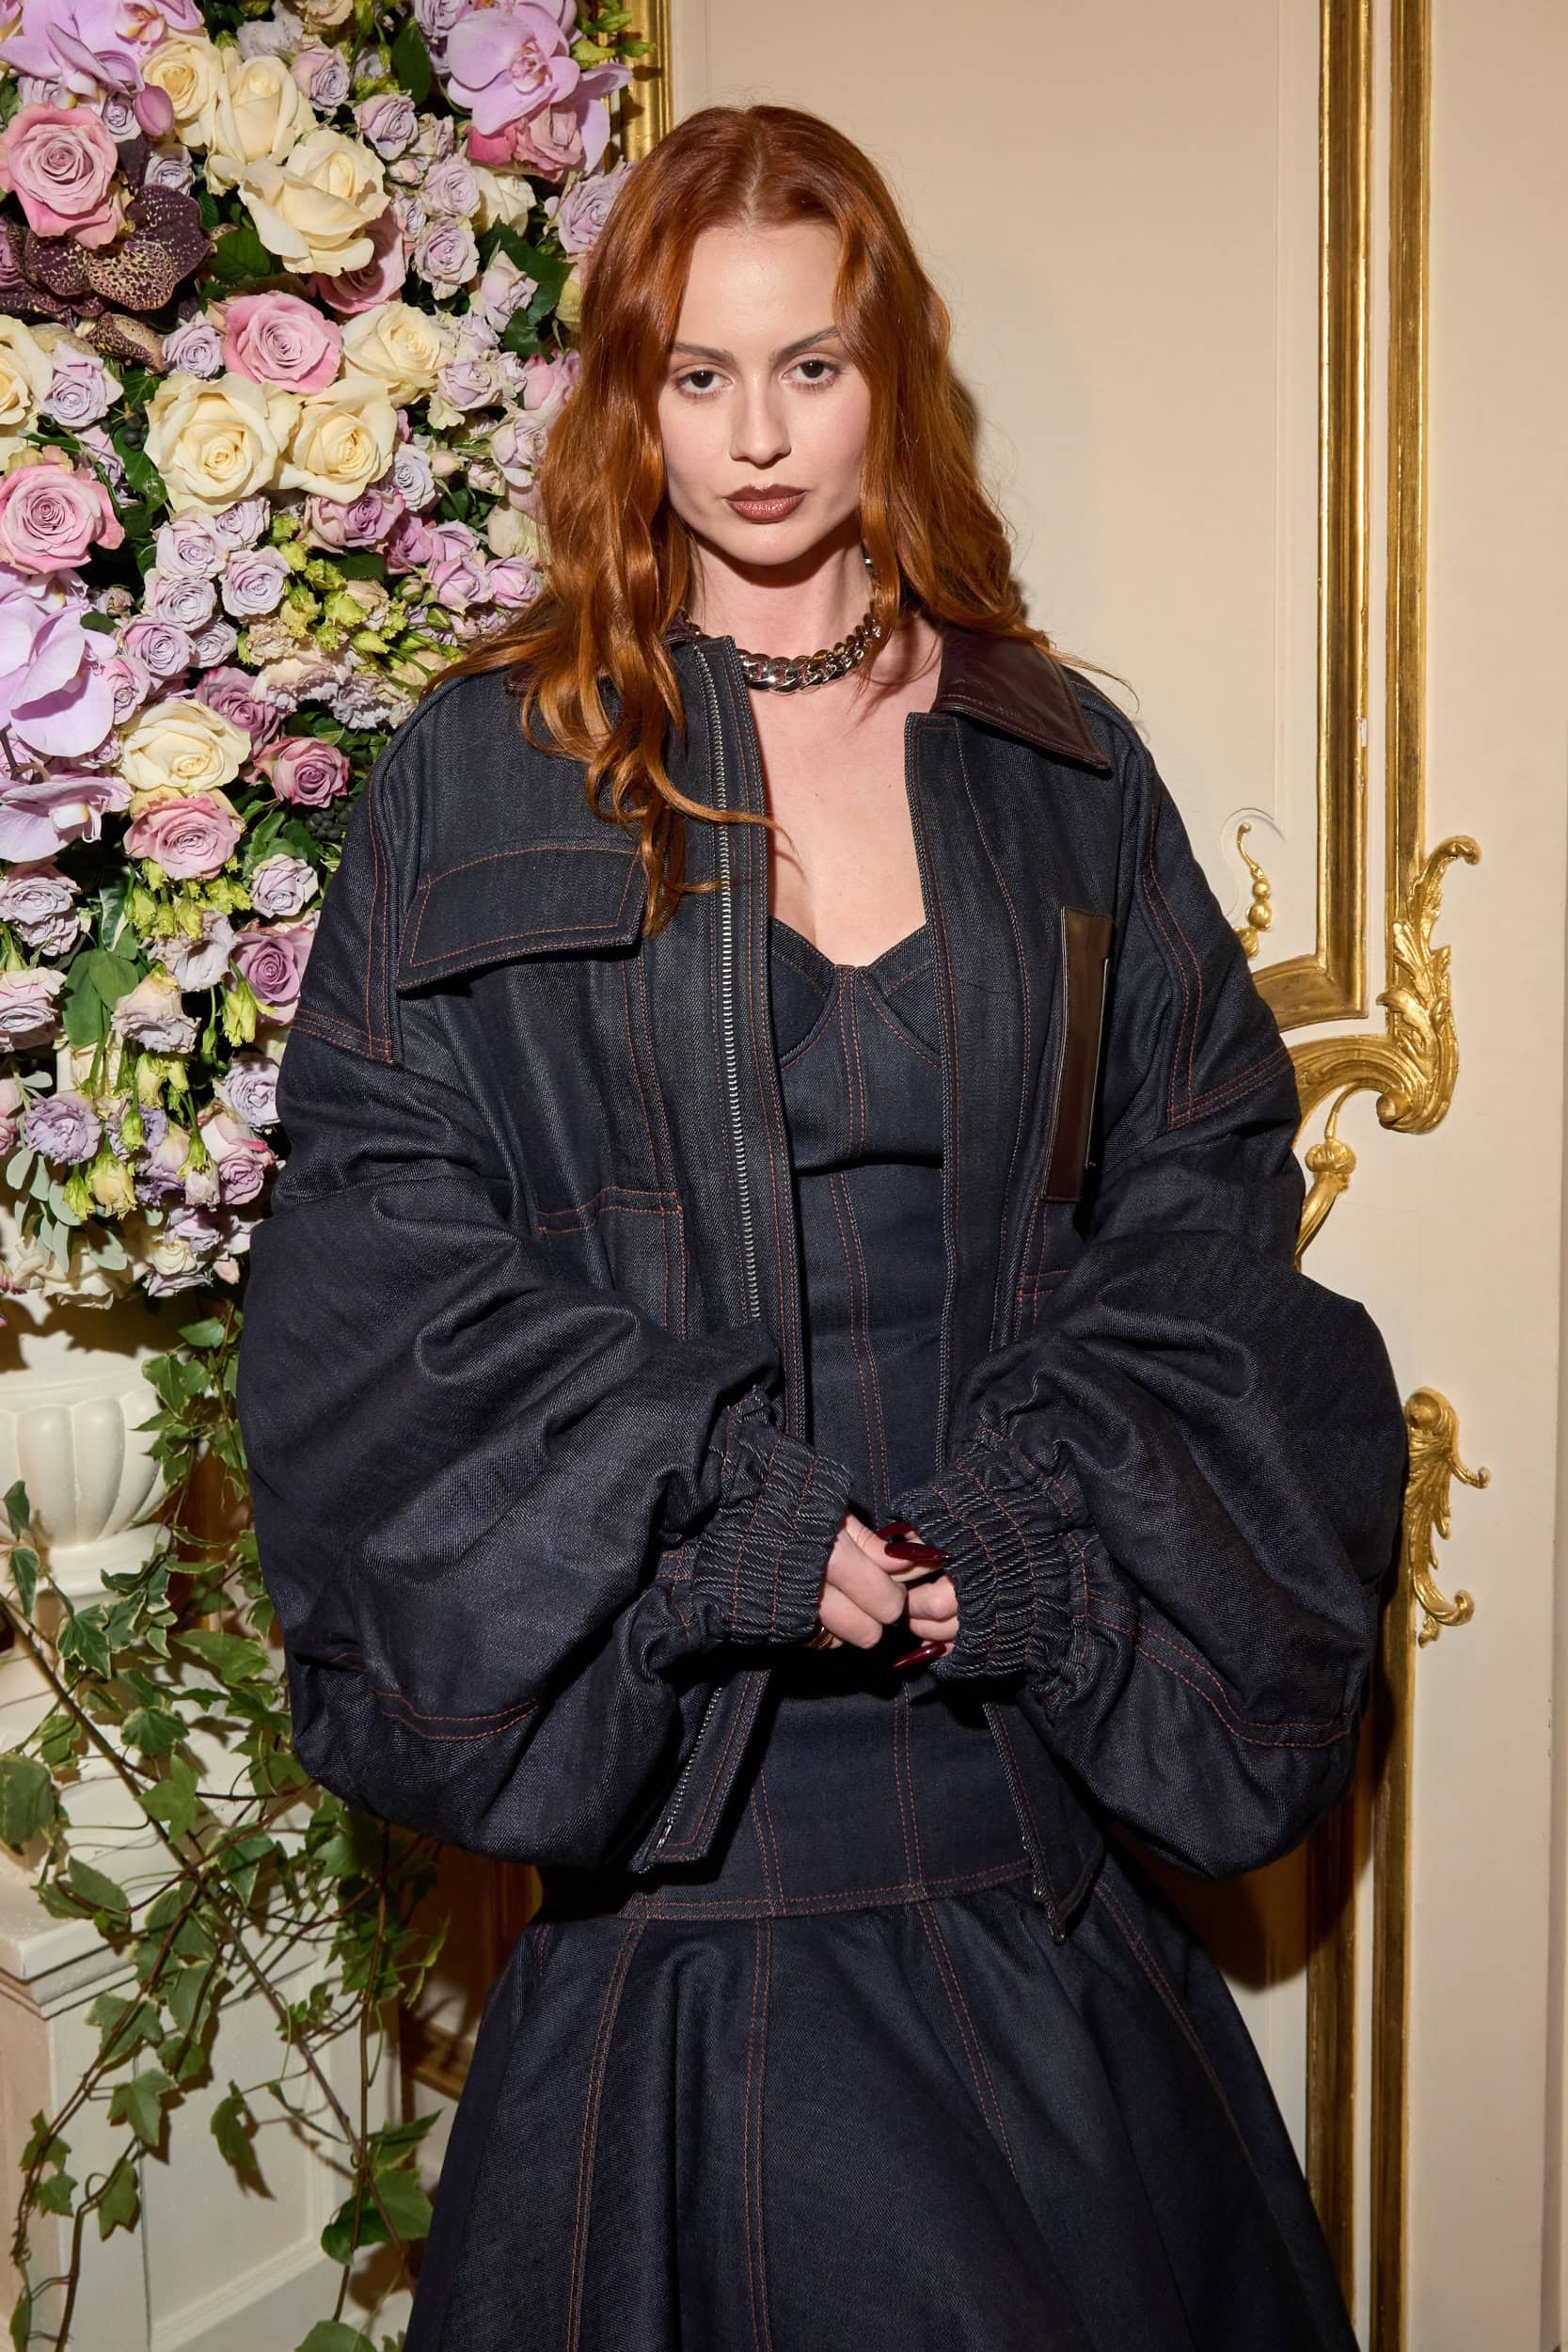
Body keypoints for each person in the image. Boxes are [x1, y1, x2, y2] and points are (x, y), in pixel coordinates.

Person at [235, 101, 1409, 2352]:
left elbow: (1206, 1206)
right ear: (629, 396)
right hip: (674, 1850)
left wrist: (1033, 1529)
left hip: (1019, 1815)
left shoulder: (1062, 766)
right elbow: (373, 1286)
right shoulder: (478, 773)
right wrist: (720, 1522)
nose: (757, 439)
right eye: (698, 374)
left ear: (893, 381)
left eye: (811, 367)